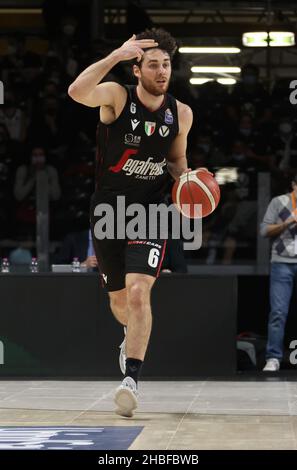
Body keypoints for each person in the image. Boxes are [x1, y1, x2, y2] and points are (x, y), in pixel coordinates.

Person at [68, 28, 197, 417]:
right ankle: (130, 335)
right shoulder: (117, 96)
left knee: (140, 293)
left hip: (151, 212)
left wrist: (189, 183)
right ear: (137, 68)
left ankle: (132, 380)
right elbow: (77, 91)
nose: (162, 72)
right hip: (109, 211)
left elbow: (177, 161)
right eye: (153, 64)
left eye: (167, 64)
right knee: (120, 300)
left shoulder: (181, 113)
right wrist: (114, 55)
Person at [260, 174, 297, 371]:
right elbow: (264, 231)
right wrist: (288, 222)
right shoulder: (279, 202)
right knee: (278, 312)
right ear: (293, 185)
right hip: (281, 263)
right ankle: (273, 357)